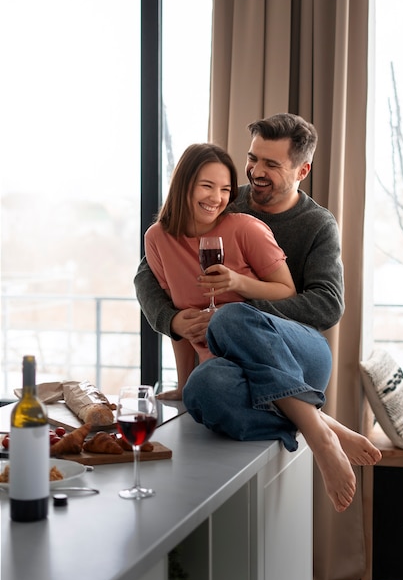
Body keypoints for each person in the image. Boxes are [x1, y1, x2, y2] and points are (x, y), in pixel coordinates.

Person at [135, 113, 381, 512]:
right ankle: (319, 423)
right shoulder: (227, 198)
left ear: (303, 169)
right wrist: (174, 321)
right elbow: (151, 276)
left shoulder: (317, 225)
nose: (256, 172)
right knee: (204, 390)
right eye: (253, 159)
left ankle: (318, 439)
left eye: (271, 164)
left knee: (231, 319)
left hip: (299, 355)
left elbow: (327, 305)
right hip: (234, 363)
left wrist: (244, 306)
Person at [144, 143, 296, 399]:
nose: (217, 198)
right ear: (184, 185)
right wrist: (184, 386)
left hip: (267, 353)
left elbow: (287, 291)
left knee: (227, 323)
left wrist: (237, 283)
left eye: (225, 189)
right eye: (207, 186)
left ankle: (321, 427)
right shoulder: (158, 238)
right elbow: (183, 323)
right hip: (215, 370)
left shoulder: (246, 229)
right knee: (204, 393)